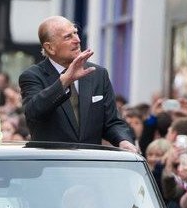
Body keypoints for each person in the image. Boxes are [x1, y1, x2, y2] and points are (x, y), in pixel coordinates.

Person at [19, 16, 136, 152]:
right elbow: (34, 111)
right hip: (52, 165)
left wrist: (124, 140)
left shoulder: (97, 74)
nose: (77, 40)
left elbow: (112, 121)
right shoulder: (33, 76)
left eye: (75, 33)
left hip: (88, 165)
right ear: (50, 48)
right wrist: (64, 81)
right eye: (68, 37)